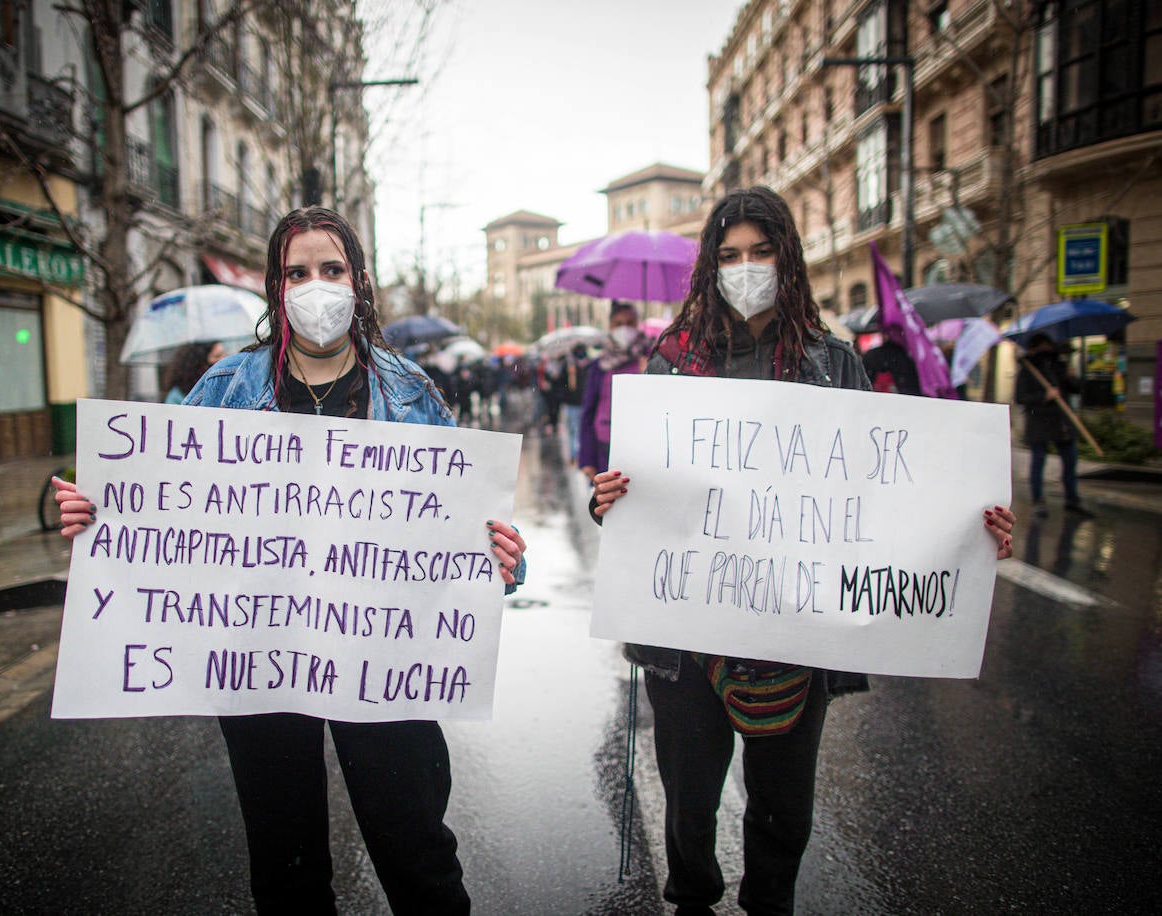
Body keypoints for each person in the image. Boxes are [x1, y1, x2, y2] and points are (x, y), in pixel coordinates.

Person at [52, 206, 527, 916]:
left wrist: (505, 558)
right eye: (296, 272)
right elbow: (168, 508)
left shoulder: (409, 391)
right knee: (286, 870)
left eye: (331, 270)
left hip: (385, 659)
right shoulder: (225, 389)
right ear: (275, 288)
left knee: (418, 856)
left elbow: (471, 528)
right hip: (262, 660)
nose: (316, 287)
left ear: (360, 282)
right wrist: (100, 515)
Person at [588, 187, 1016, 916]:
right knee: (688, 800)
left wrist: (968, 530)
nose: (746, 268)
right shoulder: (671, 364)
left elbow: (879, 496)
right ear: (709, 268)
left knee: (785, 807)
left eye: (761, 252)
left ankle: (770, 903)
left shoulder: (833, 364)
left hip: (794, 636)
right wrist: (608, 504)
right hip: (686, 641)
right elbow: (637, 498)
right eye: (729, 256)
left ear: (787, 259)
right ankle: (691, 899)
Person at [1015, 332, 1092, 518]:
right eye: (1042, 345)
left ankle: (1072, 499)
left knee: (1069, 460)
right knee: (1038, 461)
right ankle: (1038, 500)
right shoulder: (1028, 369)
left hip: (1062, 421)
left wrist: (1073, 377)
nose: (1046, 349)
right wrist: (1043, 396)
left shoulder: (1060, 366)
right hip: (1039, 422)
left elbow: (1076, 389)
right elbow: (1020, 398)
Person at [579, 300, 647, 480]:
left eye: (630, 323)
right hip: (604, 446)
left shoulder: (648, 359)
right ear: (610, 326)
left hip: (641, 447)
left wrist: (649, 373)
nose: (624, 329)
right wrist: (587, 459)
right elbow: (588, 412)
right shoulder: (599, 365)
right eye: (618, 324)